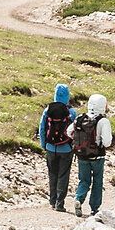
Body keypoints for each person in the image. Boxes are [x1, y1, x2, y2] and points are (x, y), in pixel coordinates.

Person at [69, 92, 114, 215]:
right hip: (98, 156)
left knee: (84, 180)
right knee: (97, 182)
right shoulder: (103, 121)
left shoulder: (80, 118)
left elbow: (69, 132)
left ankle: (78, 198)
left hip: (81, 155)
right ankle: (94, 208)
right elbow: (107, 142)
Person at [38, 83, 77, 211]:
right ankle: (60, 203)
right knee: (63, 176)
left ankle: (52, 201)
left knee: (52, 174)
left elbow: (42, 128)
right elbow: (75, 131)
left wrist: (44, 144)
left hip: (50, 147)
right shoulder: (71, 112)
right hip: (66, 148)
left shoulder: (47, 110)